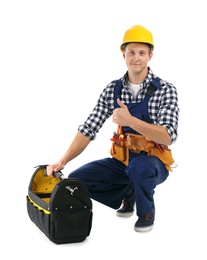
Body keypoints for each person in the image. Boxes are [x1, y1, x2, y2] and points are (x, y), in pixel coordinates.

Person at [46, 24, 179, 232]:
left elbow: (168, 136)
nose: (136, 57)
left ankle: (145, 213)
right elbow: (89, 127)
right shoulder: (112, 90)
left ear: (150, 56)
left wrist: (131, 121)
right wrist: (62, 161)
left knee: (139, 168)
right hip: (122, 162)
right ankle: (128, 192)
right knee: (76, 182)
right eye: (131, 52)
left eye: (142, 53)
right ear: (123, 54)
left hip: (153, 162)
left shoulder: (165, 90)